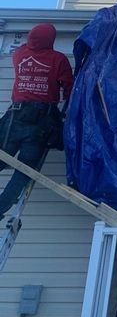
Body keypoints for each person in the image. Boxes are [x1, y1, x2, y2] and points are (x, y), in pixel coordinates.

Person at [0, 23, 73, 217]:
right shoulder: (58, 60)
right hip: (40, 124)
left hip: (15, 119)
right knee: (24, 171)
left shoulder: (19, 55)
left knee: (1, 159)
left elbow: (25, 45)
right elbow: (69, 89)